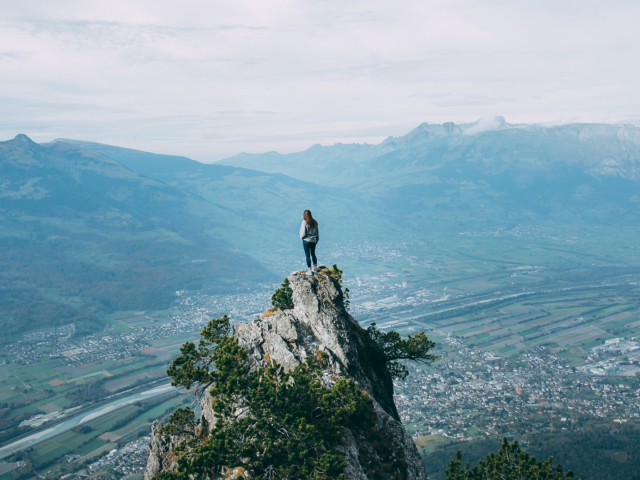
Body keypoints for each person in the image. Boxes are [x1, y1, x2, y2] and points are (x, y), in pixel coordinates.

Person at [300, 210, 319, 275]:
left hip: (306, 240)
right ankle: (316, 268)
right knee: (313, 253)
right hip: (313, 240)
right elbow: (317, 233)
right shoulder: (315, 222)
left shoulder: (304, 222)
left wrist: (302, 238)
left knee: (307, 255)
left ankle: (310, 270)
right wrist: (316, 240)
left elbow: (303, 233)